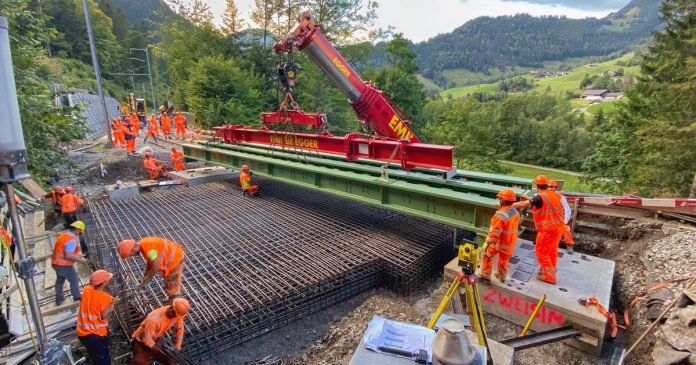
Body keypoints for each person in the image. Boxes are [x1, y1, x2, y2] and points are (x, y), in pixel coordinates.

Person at [513, 175, 564, 285]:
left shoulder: (540, 197)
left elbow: (523, 204)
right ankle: (550, 270)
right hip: (558, 229)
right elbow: (539, 201)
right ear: (547, 185)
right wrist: (529, 199)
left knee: (541, 253)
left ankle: (550, 277)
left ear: (537, 186)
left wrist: (507, 205)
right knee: (552, 252)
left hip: (547, 231)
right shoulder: (554, 195)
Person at [118, 237, 185, 301]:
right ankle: (172, 299)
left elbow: (156, 265)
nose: (133, 256)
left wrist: (149, 277)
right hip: (172, 258)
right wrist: (145, 276)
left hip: (175, 260)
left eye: (131, 254)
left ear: (132, 248)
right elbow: (150, 264)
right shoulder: (144, 245)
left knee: (172, 286)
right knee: (168, 282)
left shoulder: (149, 250)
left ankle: (176, 304)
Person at [130, 298, 190, 365]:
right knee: (139, 363)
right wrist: (157, 349)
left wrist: (178, 345)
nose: (176, 317)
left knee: (170, 362)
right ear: (172, 309)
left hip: (156, 339)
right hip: (141, 342)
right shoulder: (154, 320)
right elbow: (146, 339)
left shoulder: (177, 315)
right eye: (175, 315)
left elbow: (180, 328)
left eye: (177, 316)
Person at [480, 189, 520, 284]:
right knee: (504, 260)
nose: (499, 201)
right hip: (510, 244)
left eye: (500, 199)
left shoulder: (499, 216)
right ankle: (501, 276)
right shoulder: (515, 212)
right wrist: (502, 208)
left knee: (487, 255)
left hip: (500, 244)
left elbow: (493, 236)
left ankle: (485, 276)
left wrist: (485, 245)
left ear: (503, 201)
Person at [77, 270, 116, 365]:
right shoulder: (106, 298)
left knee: (94, 354)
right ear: (103, 283)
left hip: (82, 333)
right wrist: (112, 305)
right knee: (103, 361)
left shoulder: (86, 290)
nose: (109, 281)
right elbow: (104, 316)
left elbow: (94, 297)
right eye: (107, 280)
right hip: (96, 336)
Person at [52, 221, 89, 305]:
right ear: (77, 229)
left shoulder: (63, 235)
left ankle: (59, 298)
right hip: (63, 265)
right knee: (74, 279)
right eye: (80, 232)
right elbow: (68, 255)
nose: (79, 234)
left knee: (60, 280)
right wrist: (81, 261)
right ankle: (77, 297)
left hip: (55, 263)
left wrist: (76, 256)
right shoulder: (71, 240)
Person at [549, 180, 575, 254]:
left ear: (555, 188)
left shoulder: (560, 197)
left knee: (565, 229)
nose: (550, 188)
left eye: (551, 187)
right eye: (549, 187)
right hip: (548, 218)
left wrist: (565, 221)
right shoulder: (544, 195)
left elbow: (567, 209)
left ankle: (569, 244)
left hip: (558, 219)